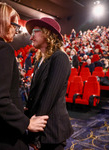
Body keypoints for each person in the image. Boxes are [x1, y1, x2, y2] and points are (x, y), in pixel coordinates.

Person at [0, 2, 48, 150]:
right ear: (4, 23)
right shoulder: (3, 48)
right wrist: (26, 123)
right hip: (1, 133)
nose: (16, 31)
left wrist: (17, 107)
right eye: (15, 26)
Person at [25, 17, 74, 150]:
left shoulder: (60, 57)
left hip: (52, 130)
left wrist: (35, 134)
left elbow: (49, 97)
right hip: (40, 127)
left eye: (35, 31)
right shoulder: (40, 60)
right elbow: (36, 93)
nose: (31, 37)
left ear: (48, 33)